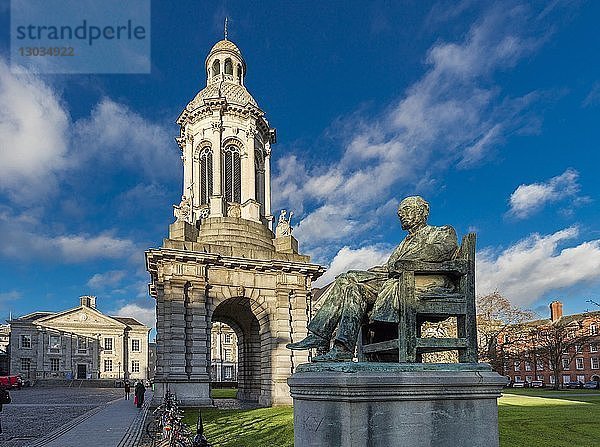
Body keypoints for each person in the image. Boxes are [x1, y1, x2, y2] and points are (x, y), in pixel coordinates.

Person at [287, 196, 458, 361]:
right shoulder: (404, 242)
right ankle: (340, 347)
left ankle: (322, 336)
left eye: (407, 210)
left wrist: (401, 262)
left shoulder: (442, 232)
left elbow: (441, 251)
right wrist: (375, 271)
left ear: (423, 211)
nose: (402, 215)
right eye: (400, 213)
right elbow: (391, 266)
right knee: (349, 282)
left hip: (424, 283)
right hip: (397, 280)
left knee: (353, 282)